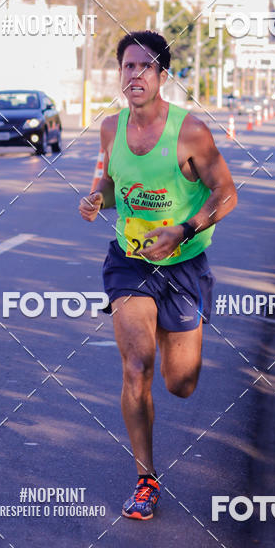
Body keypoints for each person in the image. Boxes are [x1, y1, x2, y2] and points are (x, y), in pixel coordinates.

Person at [79, 31, 237, 520]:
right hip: (131, 262)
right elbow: (108, 186)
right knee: (135, 366)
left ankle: (185, 332)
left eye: (145, 67)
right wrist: (95, 200)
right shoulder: (110, 129)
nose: (135, 75)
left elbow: (227, 194)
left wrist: (185, 230)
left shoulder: (189, 132)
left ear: (162, 75)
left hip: (184, 265)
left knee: (181, 383)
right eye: (127, 67)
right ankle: (146, 478)